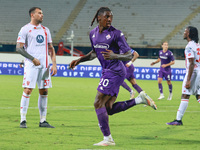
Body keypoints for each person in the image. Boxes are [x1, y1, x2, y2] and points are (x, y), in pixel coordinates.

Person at [69, 7, 157, 146]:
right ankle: (139, 100)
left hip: (115, 71)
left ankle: (108, 139)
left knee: (98, 102)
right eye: (107, 17)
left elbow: (130, 54)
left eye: (111, 17)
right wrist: (79, 60)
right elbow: (94, 53)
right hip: (107, 71)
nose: (109, 19)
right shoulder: (93, 34)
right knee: (107, 109)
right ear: (99, 18)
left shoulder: (116, 34)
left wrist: (115, 55)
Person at [16, 7, 57, 128]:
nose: (42, 15)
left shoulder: (45, 30)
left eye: (42, 13)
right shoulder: (25, 29)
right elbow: (19, 48)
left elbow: (51, 48)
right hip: (31, 65)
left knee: (44, 91)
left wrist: (54, 64)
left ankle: (43, 120)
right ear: (32, 15)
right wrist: (32, 58)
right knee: (28, 90)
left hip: (44, 66)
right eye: (39, 13)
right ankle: (23, 119)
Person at [167, 26, 200, 125]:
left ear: (189, 34)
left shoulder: (189, 46)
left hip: (193, 72)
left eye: (186, 31)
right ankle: (178, 120)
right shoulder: (197, 45)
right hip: (198, 71)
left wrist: (188, 80)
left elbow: (191, 63)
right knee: (198, 95)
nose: (184, 32)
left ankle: (178, 120)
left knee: (185, 94)